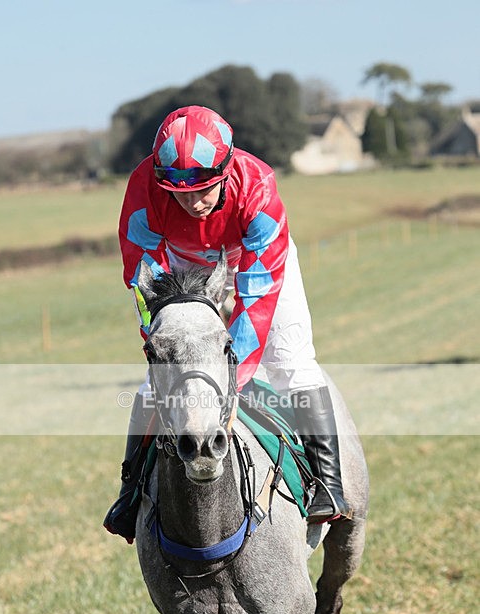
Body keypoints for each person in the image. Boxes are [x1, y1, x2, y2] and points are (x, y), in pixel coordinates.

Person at [104, 105, 351, 542]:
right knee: (154, 380)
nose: (192, 202)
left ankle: (329, 487)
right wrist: (161, 345)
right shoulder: (143, 189)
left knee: (290, 360)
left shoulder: (258, 188)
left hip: (257, 262)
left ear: (226, 169)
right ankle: (130, 491)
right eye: (178, 192)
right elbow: (143, 283)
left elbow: (255, 302)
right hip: (183, 266)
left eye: (204, 190)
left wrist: (232, 383)